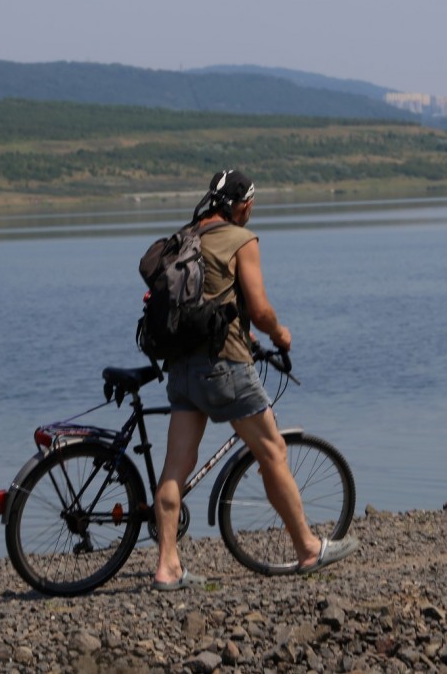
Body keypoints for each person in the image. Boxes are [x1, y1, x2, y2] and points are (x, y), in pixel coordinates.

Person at [151, 169, 359, 591]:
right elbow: (261, 309)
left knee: (176, 466)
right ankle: (306, 548)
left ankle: (167, 566)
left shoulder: (187, 236)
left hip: (181, 369)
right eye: (251, 204)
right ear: (241, 204)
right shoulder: (241, 240)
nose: (251, 212)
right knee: (273, 452)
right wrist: (279, 334)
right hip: (226, 368)